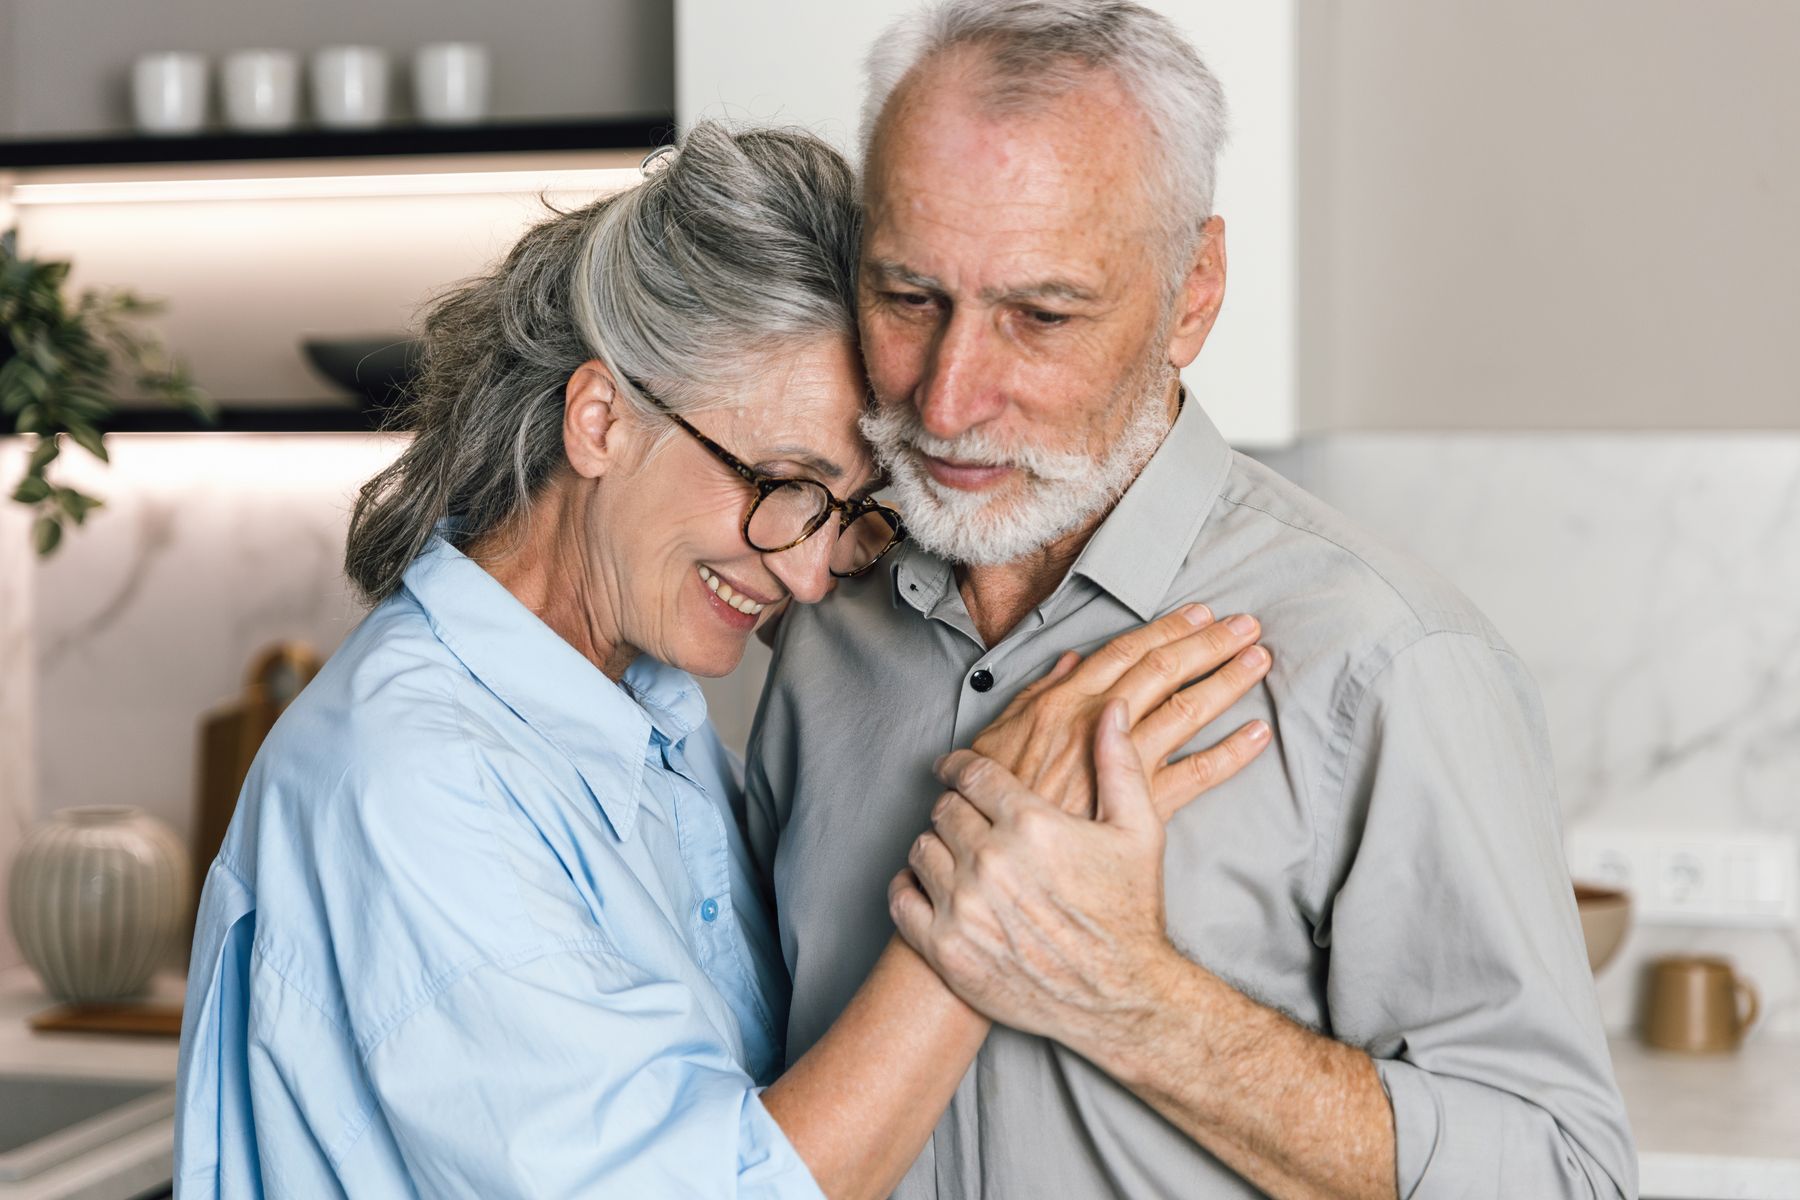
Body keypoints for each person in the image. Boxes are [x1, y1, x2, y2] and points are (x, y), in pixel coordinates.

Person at [173, 121, 1272, 1198]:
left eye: (841, 509)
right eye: (778, 482)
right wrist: (997, 899)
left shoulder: (641, 701)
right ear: (600, 420)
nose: (805, 576)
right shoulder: (411, 781)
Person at [745, 3, 1639, 1198]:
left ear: (1194, 294)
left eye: (1041, 315)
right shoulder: (817, 621)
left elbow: (1568, 1177)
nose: (949, 399)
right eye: (909, 298)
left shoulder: (1385, 661)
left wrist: (1133, 999)